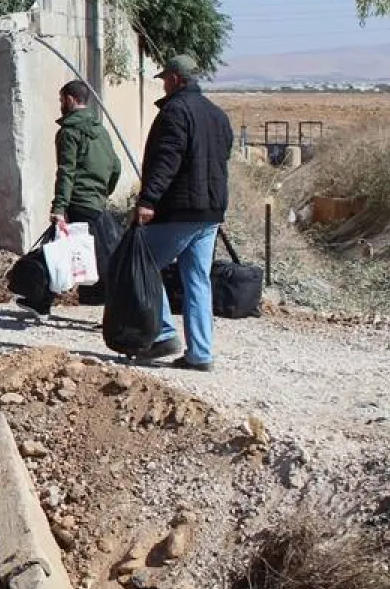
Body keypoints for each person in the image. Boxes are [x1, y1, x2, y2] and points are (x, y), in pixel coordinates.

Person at [133, 54, 234, 372]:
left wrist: (148, 201)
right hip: (211, 212)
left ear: (176, 79)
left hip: (181, 210)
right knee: (197, 280)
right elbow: (223, 155)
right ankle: (200, 354)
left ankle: (164, 334)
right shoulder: (217, 115)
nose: (163, 85)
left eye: (165, 79)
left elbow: (167, 161)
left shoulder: (175, 112)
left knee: (142, 263)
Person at [18, 80, 124, 316]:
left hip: (77, 202)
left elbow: (67, 172)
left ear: (71, 99)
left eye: (61, 100)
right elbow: (116, 166)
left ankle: (41, 300)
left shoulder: (69, 132)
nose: (60, 105)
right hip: (96, 203)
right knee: (93, 255)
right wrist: (103, 193)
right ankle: (48, 301)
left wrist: (59, 207)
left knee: (58, 251)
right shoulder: (101, 130)